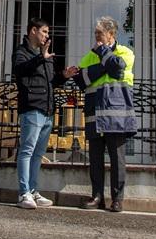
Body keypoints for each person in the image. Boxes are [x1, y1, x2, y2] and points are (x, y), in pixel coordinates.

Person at [69, 15, 136, 213]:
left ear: (111, 34)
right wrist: (105, 63)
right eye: (95, 33)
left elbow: (118, 69)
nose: (96, 36)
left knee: (117, 160)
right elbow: (81, 79)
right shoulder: (90, 55)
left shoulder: (126, 52)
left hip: (117, 116)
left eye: (100, 33)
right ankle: (97, 196)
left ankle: (117, 199)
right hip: (95, 116)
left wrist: (102, 55)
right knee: (96, 160)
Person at [12, 17, 76, 209]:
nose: (47, 36)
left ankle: (33, 191)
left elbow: (51, 82)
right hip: (31, 108)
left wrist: (63, 76)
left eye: (47, 33)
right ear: (33, 31)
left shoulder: (46, 56)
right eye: (44, 32)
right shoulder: (21, 52)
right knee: (27, 151)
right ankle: (23, 193)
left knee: (38, 153)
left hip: (47, 110)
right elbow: (20, 70)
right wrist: (41, 57)